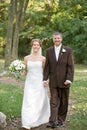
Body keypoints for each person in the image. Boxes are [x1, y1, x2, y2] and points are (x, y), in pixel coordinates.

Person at [43, 32, 74, 129]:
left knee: (64, 101)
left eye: (58, 38)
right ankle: (52, 121)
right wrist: (45, 78)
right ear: (53, 39)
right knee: (54, 100)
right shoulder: (49, 51)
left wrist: (69, 79)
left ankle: (61, 119)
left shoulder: (68, 50)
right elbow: (47, 66)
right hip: (53, 81)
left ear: (61, 39)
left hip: (65, 80)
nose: (57, 40)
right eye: (55, 38)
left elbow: (70, 66)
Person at [21, 39, 50, 130]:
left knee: (37, 101)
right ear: (32, 46)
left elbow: (46, 72)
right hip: (29, 82)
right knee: (29, 101)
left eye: (37, 45)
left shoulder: (43, 58)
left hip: (39, 82)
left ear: (40, 46)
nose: (36, 46)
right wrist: (18, 72)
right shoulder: (26, 58)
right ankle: (27, 122)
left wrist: (47, 81)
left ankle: (36, 119)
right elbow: (25, 71)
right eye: (34, 45)